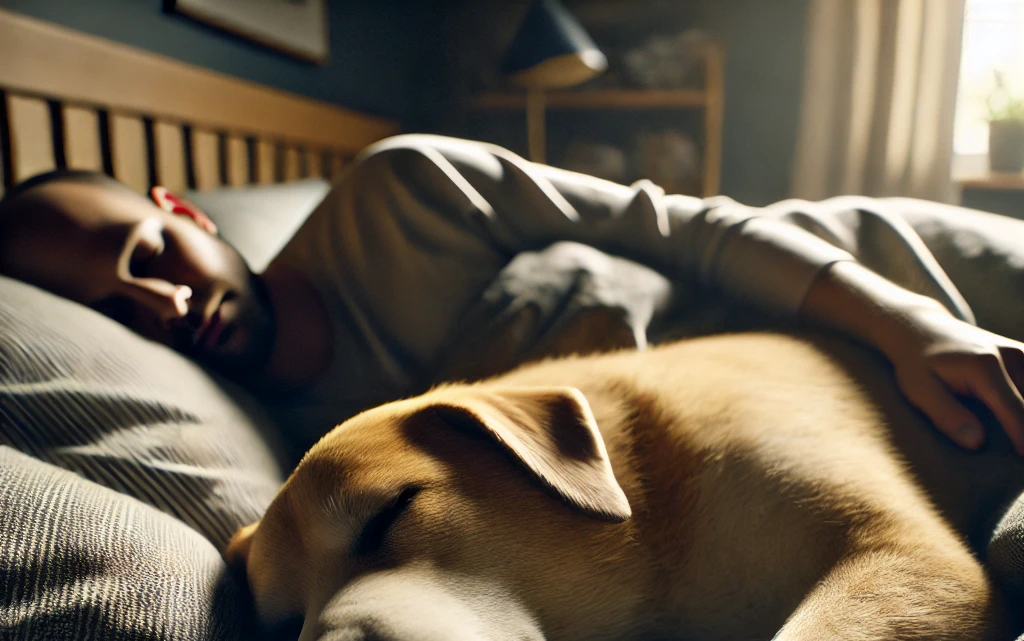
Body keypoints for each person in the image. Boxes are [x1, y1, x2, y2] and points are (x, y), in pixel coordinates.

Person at [2, 133, 1024, 459]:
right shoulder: (275, 443)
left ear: (183, 208)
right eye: (114, 315)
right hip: (770, 410)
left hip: (850, 279)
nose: (163, 309)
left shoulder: (402, 190)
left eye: (148, 255)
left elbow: (684, 225)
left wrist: (912, 323)